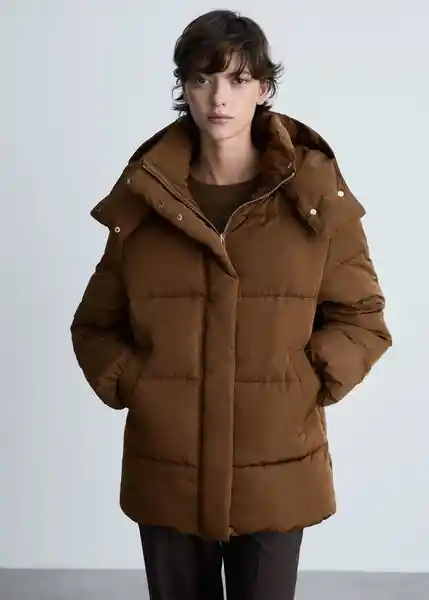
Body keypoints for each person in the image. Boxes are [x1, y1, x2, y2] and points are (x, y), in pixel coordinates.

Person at [70, 9, 392, 600]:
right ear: (184, 88)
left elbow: (362, 318)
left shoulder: (313, 195)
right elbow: (95, 324)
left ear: (264, 87)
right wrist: (140, 384)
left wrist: (303, 382)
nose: (219, 97)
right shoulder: (147, 196)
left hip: (277, 467)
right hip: (167, 464)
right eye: (202, 78)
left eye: (238, 79)